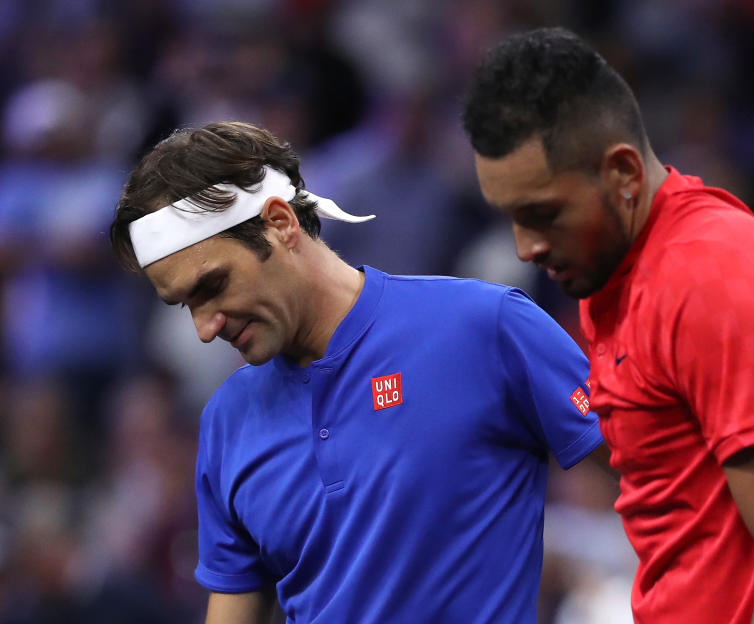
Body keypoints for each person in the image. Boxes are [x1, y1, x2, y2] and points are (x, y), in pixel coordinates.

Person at [462, 27, 754, 623]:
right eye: (511, 216)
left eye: (544, 214)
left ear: (623, 174)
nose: (526, 246)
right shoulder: (613, 271)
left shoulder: (709, 281)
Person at [108, 121, 604, 623]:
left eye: (212, 285)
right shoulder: (226, 420)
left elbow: (653, 472)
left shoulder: (485, 326)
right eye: (185, 305)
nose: (204, 328)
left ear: (279, 223)